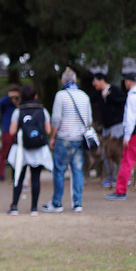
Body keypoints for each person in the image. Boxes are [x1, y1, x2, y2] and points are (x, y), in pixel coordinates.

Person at [42, 67, 92, 213]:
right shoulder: (84, 96)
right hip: (79, 138)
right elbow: (89, 119)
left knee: (59, 171)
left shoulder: (60, 96)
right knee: (77, 171)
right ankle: (77, 203)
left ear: (63, 81)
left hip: (64, 138)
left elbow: (56, 118)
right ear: (75, 80)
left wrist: (52, 137)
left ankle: (57, 202)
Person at [7, 84, 53, 215]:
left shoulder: (18, 111)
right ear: (35, 96)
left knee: (19, 177)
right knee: (36, 178)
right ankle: (34, 208)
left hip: (22, 149)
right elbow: (48, 130)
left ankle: (14, 206)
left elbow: (12, 131)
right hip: (38, 148)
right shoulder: (43, 110)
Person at [106, 72, 136, 201]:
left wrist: (126, 136)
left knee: (127, 161)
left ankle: (120, 191)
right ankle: (120, 191)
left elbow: (130, 119)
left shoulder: (132, 97)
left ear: (128, 81)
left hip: (135, 134)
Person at [92, 72, 126, 188]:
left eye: (95, 80)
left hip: (116, 126)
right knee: (105, 153)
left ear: (101, 80)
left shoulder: (114, 90)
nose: (93, 83)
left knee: (116, 152)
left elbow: (122, 100)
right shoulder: (98, 93)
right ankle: (110, 178)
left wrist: (109, 97)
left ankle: (119, 178)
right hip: (106, 128)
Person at [0, 84, 21, 181]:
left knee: (17, 153)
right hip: (7, 130)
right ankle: (1, 175)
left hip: (18, 130)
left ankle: (15, 174)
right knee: (4, 153)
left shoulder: (19, 104)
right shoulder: (6, 103)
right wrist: (9, 96)